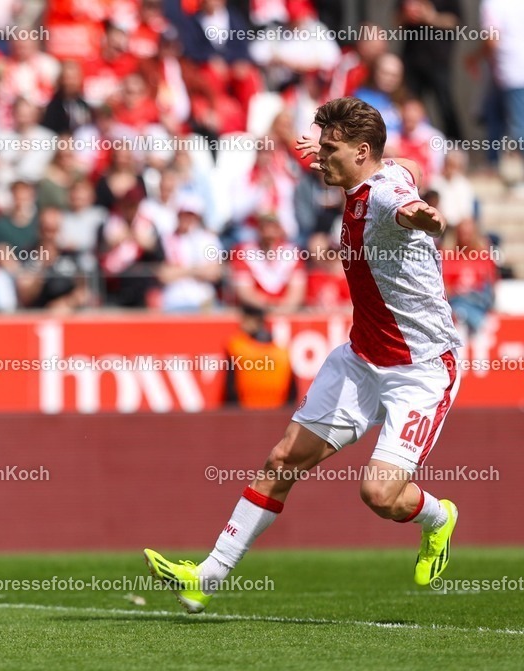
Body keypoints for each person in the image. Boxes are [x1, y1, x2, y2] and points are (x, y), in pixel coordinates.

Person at [145, 97, 462, 613]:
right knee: (282, 459)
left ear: (361, 153)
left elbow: (403, 201)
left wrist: (420, 216)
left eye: (329, 149)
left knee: (380, 495)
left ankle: (436, 517)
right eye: (320, 145)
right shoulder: (376, 170)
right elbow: (408, 164)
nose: (318, 158)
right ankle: (208, 576)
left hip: (420, 370)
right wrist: (328, 143)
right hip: (361, 358)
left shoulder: (385, 196)